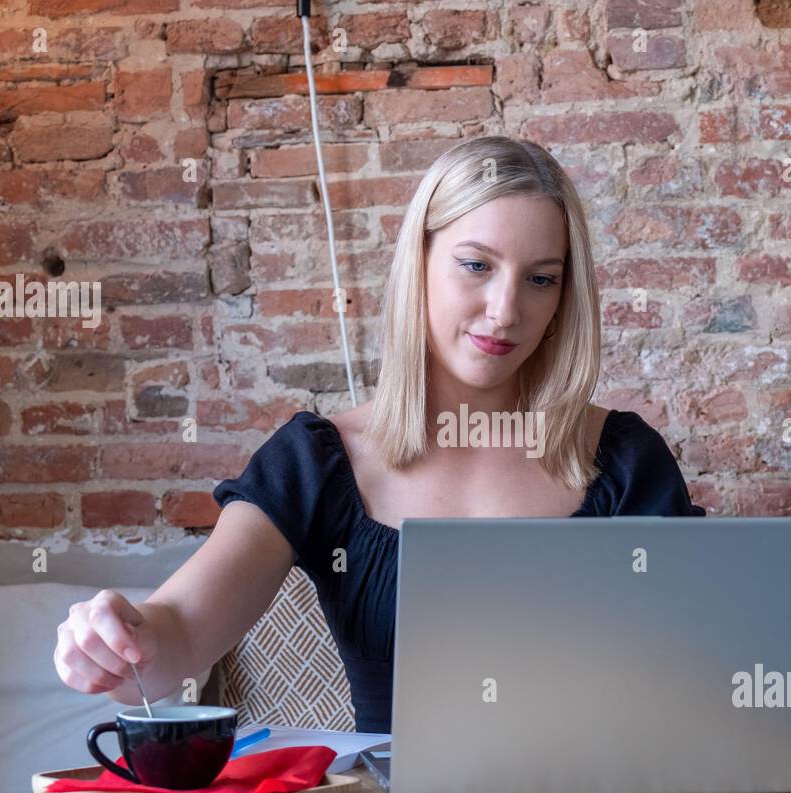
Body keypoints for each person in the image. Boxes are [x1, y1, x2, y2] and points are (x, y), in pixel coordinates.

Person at [54, 135, 705, 732]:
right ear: (418, 262)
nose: (507, 310)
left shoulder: (622, 460)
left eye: (540, 279)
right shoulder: (316, 461)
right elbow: (180, 633)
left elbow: (698, 669)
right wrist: (118, 642)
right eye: (476, 265)